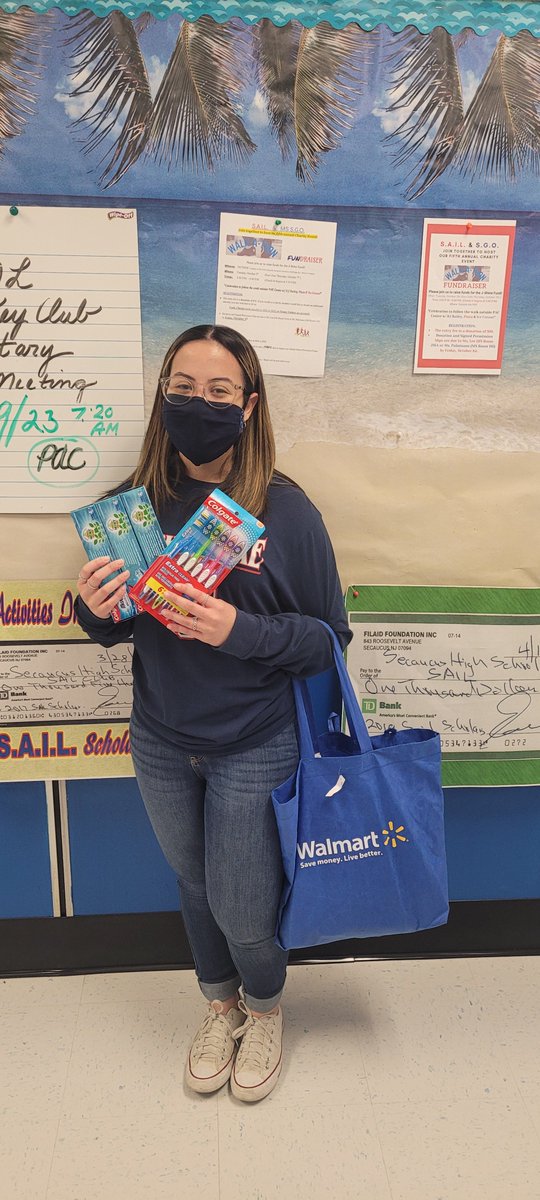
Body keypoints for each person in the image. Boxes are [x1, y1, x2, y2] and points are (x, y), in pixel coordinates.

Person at [75, 324, 351, 1104]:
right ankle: (218, 1004)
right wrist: (92, 610)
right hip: (160, 737)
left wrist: (240, 631)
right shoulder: (129, 509)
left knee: (242, 901)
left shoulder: (286, 513)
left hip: (254, 742)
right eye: (184, 389)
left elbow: (329, 641)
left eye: (220, 392)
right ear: (163, 395)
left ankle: (264, 1008)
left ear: (249, 404)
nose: (199, 404)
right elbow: (117, 623)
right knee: (193, 885)